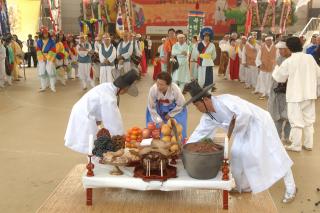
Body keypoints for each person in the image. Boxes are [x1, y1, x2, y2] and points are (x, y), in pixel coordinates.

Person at [183, 80, 297, 203]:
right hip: (243, 130)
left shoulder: (226, 101)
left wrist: (231, 126)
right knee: (237, 154)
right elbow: (200, 133)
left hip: (259, 123)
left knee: (274, 153)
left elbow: (246, 114)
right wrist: (185, 148)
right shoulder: (208, 116)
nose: (197, 108)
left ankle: (291, 188)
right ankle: (240, 186)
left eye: (197, 105)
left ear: (205, 100)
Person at [64, 70, 139, 154]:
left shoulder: (107, 86)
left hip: (82, 111)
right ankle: (92, 163)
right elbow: (113, 122)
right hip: (85, 116)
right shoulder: (109, 98)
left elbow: (99, 107)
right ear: (123, 89)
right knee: (91, 147)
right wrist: (121, 138)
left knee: (93, 143)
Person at [272, 37, 320, 152]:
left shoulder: (289, 61)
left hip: (295, 95)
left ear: (289, 48)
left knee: (296, 121)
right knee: (309, 120)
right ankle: (308, 144)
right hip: (309, 94)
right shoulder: (310, 58)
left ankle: (296, 145)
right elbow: (318, 74)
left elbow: (280, 78)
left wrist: (276, 68)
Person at [146, 72, 187, 138]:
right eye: (157, 83)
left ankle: (177, 142)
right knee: (155, 127)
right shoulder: (153, 89)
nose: (159, 86)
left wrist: (170, 114)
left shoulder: (175, 89)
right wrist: (159, 121)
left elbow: (181, 104)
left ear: (169, 85)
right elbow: (151, 107)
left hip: (175, 108)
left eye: (162, 84)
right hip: (159, 108)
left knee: (177, 128)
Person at [268, 41, 291, 143]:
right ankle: (277, 137)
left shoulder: (292, 59)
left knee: (290, 116)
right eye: (279, 49)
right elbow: (276, 76)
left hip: (290, 91)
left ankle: (287, 137)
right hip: (278, 91)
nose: (280, 51)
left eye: (282, 49)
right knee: (278, 115)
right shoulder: (279, 59)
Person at [36, 27, 57, 92]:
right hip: (41, 58)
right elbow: (38, 50)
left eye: (46, 33)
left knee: (50, 72)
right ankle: (43, 87)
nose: (45, 34)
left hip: (49, 58)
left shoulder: (52, 41)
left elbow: (53, 49)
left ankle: (52, 87)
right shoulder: (39, 41)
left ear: (48, 33)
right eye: (44, 33)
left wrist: (47, 57)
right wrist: (42, 57)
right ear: (42, 34)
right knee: (42, 72)